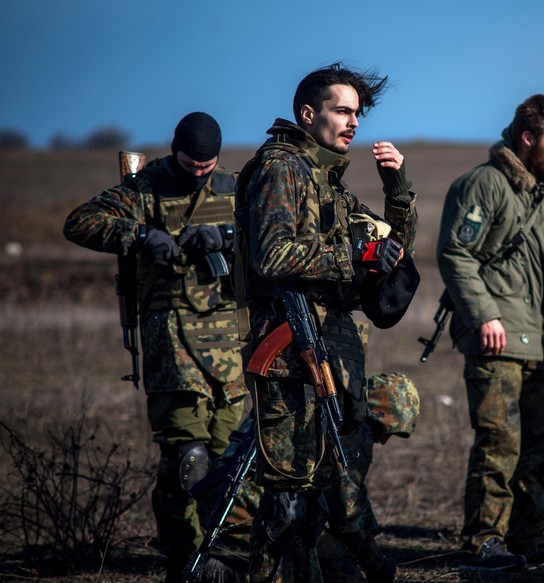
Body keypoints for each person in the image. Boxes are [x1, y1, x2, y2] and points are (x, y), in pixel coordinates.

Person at [233, 62, 417, 583]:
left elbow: (391, 247)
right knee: (288, 498)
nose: (353, 122)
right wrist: (352, 256)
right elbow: (274, 255)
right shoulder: (283, 168)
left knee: (317, 497)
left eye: (357, 113)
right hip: (290, 353)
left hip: (326, 348)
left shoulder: (324, 178)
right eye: (342, 110)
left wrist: (395, 186)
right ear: (308, 114)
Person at [63, 112, 247, 582]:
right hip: (171, 342)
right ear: (175, 151)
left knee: (230, 461)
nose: (199, 172)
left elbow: (271, 233)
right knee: (188, 459)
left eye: (208, 165)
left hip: (228, 348)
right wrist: (143, 235)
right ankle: (187, 561)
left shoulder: (234, 188)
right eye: (191, 163)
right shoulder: (146, 188)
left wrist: (226, 237)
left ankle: (226, 557)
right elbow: (81, 222)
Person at [435, 94, 544, 570]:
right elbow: (456, 254)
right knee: (499, 442)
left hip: (542, 338)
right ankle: (482, 543)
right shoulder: (484, 185)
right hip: (496, 336)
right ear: (528, 139)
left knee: (539, 443)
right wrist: (484, 316)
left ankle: (528, 538)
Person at [192, 373, 421, 583]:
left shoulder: (307, 401)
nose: (384, 442)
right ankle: (224, 576)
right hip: (256, 509)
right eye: (388, 433)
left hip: (220, 500)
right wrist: (377, 566)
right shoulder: (351, 427)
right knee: (330, 558)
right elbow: (347, 516)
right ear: (381, 415)